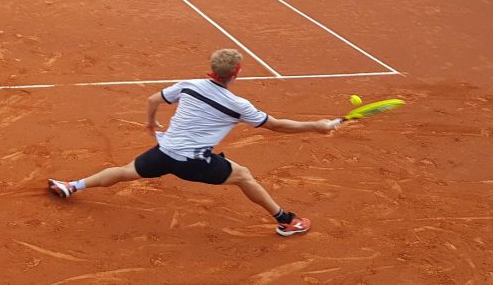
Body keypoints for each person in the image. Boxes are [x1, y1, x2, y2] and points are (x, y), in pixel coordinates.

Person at [48, 49, 328, 236]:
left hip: (165, 150)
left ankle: (73, 185)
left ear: (212, 70)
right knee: (243, 175)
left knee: (125, 171)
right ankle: (286, 221)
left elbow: (152, 99)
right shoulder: (237, 105)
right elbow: (277, 125)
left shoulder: (189, 85)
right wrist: (316, 126)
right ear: (237, 72)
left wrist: (150, 122)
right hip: (193, 161)